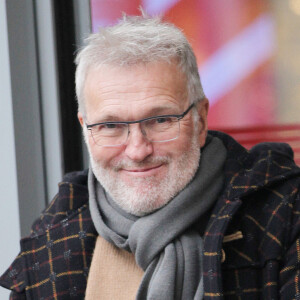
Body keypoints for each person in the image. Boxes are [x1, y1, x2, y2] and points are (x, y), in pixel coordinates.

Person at [1, 14, 300, 300]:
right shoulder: (53, 240)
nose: (137, 150)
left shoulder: (283, 214)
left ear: (201, 120)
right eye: (110, 126)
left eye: (160, 121)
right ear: (85, 129)